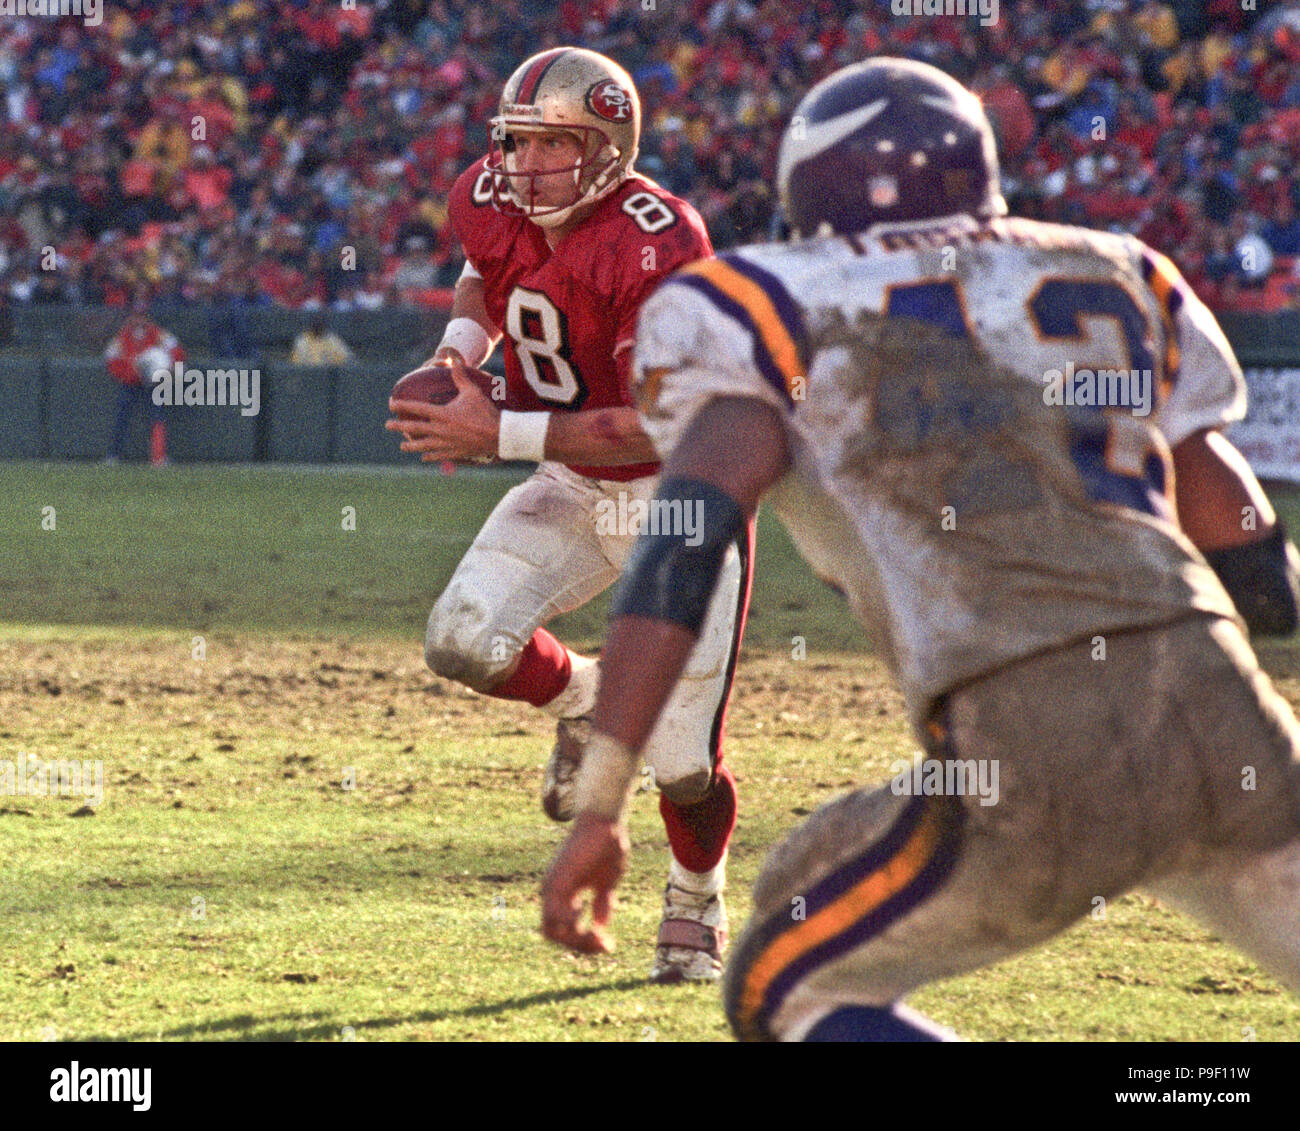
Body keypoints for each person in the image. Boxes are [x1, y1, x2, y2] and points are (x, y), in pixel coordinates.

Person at [541, 58, 1300, 1040]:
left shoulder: (758, 299)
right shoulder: (1117, 267)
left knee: (789, 980)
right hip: (1227, 714)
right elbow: (1249, 555)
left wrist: (601, 802)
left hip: (1026, 737)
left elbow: (682, 548)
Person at [386, 47, 749, 982]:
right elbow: (483, 272)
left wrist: (492, 429)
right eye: (519, 142)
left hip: (678, 495)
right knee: (463, 637)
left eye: (556, 145)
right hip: (574, 478)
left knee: (683, 767)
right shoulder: (493, 194)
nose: (527, 166)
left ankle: (697, 897)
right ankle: (589, 701)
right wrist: (460, 352)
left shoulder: (658, 237)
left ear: (610, 145)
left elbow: (654, 419)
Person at [103, 301, 184, 466]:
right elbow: (111, 360)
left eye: (142, 316)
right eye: (136, 316)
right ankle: (114, 454)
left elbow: (177, 352)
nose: (139, 320)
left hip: (153, 383)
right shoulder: (122, 336)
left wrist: (169, 370)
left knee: (157, 417)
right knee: (122, 417)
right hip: (130, 382)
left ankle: (158, 456)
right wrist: (130, 374)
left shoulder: (159, 334)